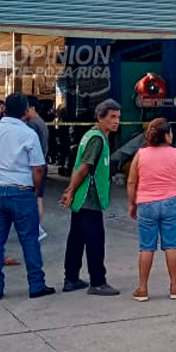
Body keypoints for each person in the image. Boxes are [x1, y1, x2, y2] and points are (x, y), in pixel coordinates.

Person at [0, 93, 54, 301]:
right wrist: (35, 191)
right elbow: (38, 168)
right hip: (21, 191)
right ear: (25, 110)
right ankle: (36, 285)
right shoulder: (28, 134)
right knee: (29, 240)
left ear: (4, 109)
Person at [126, 118, 176, 302]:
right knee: (172, 245)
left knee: (146, 247)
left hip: (146, 204)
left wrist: (132, 204)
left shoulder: (140, 155)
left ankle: (142, 289)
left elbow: (132, 182)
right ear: (166, 135)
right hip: (171, 202)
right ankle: (174, 286)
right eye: (170, 132)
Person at [60, 99, 122, 296]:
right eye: (112, 117)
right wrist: (70, 190)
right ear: (100, 118)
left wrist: (71, 191)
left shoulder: (92, 136)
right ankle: (97, 281)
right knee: (95, 240)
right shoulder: (97, 139)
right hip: (89, 197)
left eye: (118, 117)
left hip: (82, 197)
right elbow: (84, 167)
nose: (116, 121)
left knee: (76, 239)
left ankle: (71, 278)